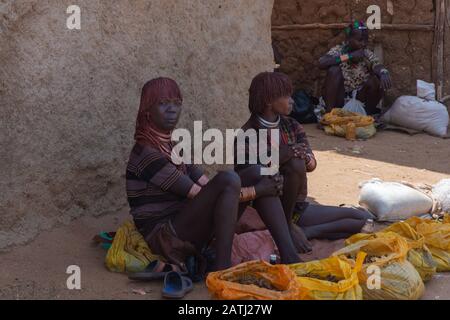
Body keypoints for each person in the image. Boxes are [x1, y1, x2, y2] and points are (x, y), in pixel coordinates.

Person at [126, 77, 283, 272]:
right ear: (147, 111)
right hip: (165, 238)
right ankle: (221, 268)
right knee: (230, 179)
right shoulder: (146, 154)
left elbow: (205, 184)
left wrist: (258, 185)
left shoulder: (172, 147)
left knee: (256, 173)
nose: (172, 110)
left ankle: (288, 248)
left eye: (177, 103)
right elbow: (200, 195)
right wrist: (257, 191)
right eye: (163, 103)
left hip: (184, 223)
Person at [235, 72, 373, 262]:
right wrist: (281, 157)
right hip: (267, 209)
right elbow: (249, 175)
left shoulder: (292, 126)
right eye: (287, 96)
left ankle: (304, 231)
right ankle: (287, 226)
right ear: (269, 100)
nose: (292, 101)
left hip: (296, 208)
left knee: (362, 218)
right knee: (292, 161)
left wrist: (304, 157)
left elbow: (311, 164)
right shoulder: (246, 135)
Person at [319, 20, 392, 115]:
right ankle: (330, 115)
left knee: (376, 80)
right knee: (334, 70)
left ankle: (366, 116)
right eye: (360, 40)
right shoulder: (340, 51)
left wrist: (383, 72)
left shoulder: (366, 53)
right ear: (349, 39)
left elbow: (377, 65)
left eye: (365, 40)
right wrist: (349, 56)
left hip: (359, 100)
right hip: (339, 100)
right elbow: (322, 63)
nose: (363, 43)